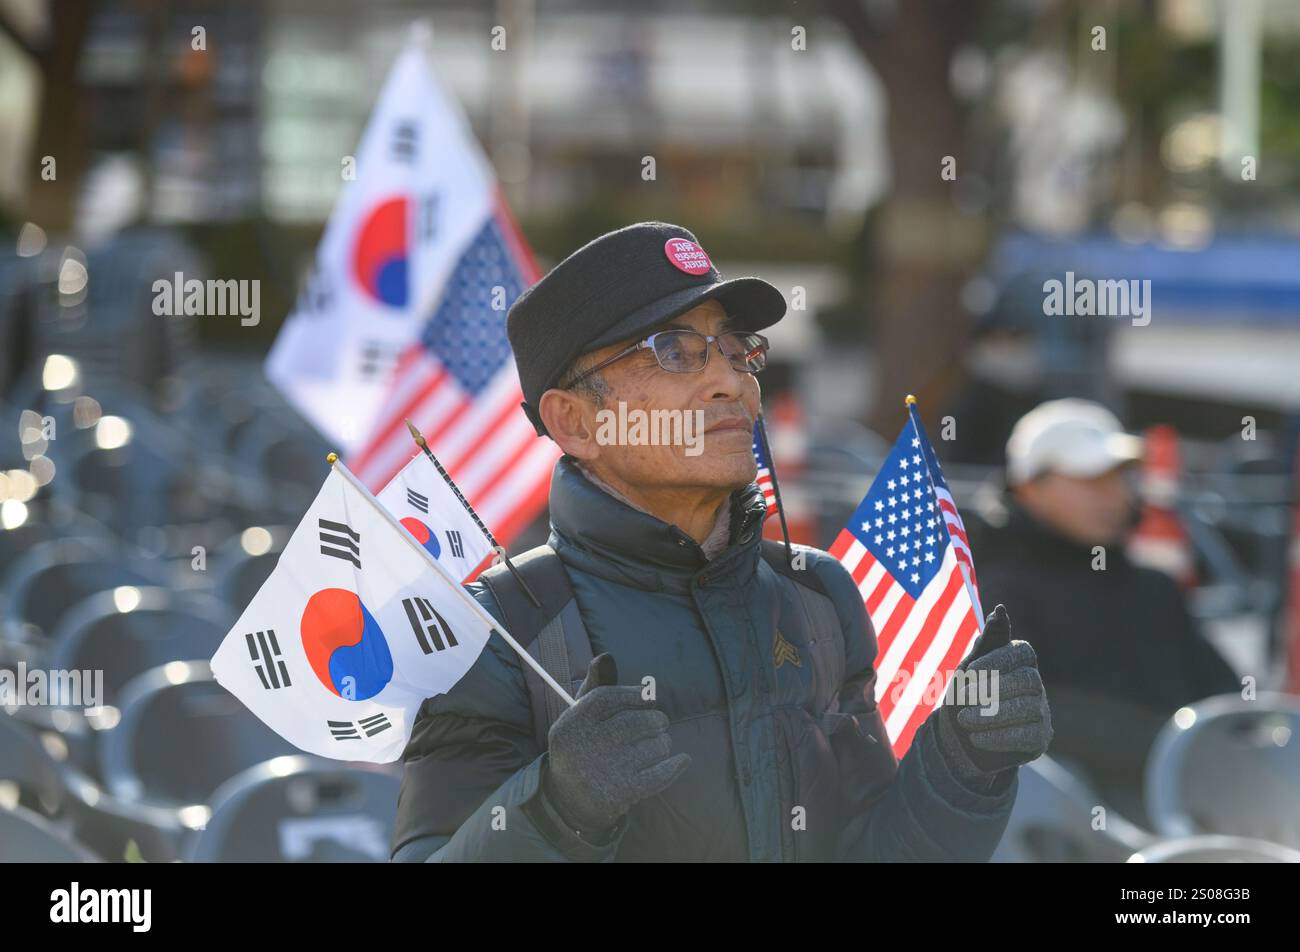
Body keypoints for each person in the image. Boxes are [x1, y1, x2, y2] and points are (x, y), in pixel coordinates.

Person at [391, 221, 1051, 862]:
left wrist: (961, 765)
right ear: (576, 421)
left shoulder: (818, 595)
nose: (732, 382)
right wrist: (557, 810)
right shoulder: (495, 631)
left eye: (737, 351)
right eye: (675, 350)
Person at [973, 399, 1239, 825]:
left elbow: (1223, 694)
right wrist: (1164, 745)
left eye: (1120, 477)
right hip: (1065, 830)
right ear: (1028, 488)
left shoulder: (1154, 587)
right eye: (1090, 480)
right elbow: (1015, 721)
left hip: (1192, 808)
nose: (1114, 495)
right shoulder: (997, 596)